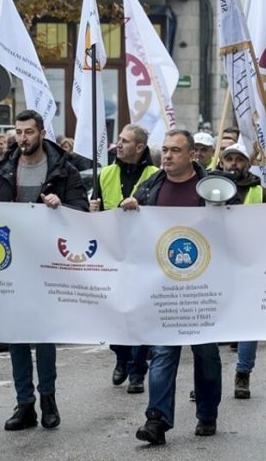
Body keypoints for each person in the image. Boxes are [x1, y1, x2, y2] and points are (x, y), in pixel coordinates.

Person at [0, 110, 88, 431]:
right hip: (11, 263)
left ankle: (48, 398)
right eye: (18, 132)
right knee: (16, 334)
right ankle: (25, 404)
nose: (23, 138)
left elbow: (82, 211)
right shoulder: (3, 168)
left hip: (48, 263)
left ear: (41, 132)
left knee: (43, 335)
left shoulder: (64, 170)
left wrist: (60, 206)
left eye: (29, 132)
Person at [124, 129, 238, 446]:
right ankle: (156, 420)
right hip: (166, 287)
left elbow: (239, 224)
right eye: (165, 150)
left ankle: (207, 413)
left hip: (204, 287)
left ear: (192, 155)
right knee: (163, 353)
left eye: (176, 150)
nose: (168, 156)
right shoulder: (150, 187)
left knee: (206, 356)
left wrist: (225, 209)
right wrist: (130, 209)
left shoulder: (212, 187)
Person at [89, 124, 158, 394]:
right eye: (119, 140)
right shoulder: (105, 173)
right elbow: (94, 213)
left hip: (143, 253)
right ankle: (121, 356)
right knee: (115, 312)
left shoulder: (156, 175)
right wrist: (92, 209)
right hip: (112, 252)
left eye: (125, 141)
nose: (119, 144)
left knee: (140, 313)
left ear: (139, 147)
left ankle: (138, 369)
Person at [213, 141, 266, 400]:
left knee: (248, 324)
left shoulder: (262, 194)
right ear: (222, 162)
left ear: (247, 164)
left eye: (239, 159)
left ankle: (243, 374)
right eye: (229, 159)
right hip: (217, 264)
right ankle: (207, 378)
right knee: (213, 324)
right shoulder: (210, 189)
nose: (234, 164)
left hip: (250, 265)